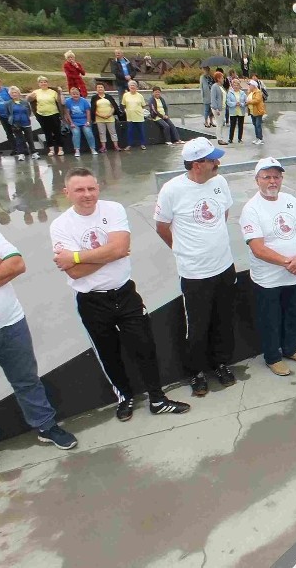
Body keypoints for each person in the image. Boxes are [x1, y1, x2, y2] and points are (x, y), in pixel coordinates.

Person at [50, 168, 190, 420]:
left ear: (98, 188)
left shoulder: (113, 209)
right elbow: (75, 273)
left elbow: (119, 249)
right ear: (66, 192)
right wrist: (110, 253)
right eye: (79, 190)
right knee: (108, 353)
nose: (87, 194)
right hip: (92, 301)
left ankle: (157, 399)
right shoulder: (60, 225)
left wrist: (78, 256)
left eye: (91, 188)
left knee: (145, 346)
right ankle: (124, 397)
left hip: (125, 294)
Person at [0, 220, 78, 482]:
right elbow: (4, 266)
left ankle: (46, 426)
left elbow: (17, 264)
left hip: (12, 323)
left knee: (27, 380)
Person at [155, 138, 237, 396]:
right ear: (197, 164)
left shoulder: (220, 182)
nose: (217, 163)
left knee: (223, 320)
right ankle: (197, 372)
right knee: (198, 326)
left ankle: (220, 363)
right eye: (212, 159)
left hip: (224, 267)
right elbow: (162, 227)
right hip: (195, 274)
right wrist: (183, 250)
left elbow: (223, 215)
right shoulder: (171, 190)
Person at [240, 157, 296, 376]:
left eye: (276, 176)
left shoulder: (290, 200)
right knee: (270, 319)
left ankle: (291, 348)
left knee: (293, 314)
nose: (273, 181)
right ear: (257, 180)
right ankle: (272, 357)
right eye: (267, 177)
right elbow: (258, 248)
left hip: (294, 273)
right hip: (268, 279)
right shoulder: (251, 209)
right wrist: (288, 263)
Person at [28, 77, 64, 157]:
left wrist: (60, 93)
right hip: (41, 115)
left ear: (47, 83)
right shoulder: (36, 92)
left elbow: (60, 101)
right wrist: (30, 96)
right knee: (47, 132)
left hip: (54, 113)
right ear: (39, 84)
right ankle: (51, 150)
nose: (43, 83)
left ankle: (60, 149)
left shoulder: (52, 92)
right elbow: (28, 100)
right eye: (41, 82)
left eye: (45, 82)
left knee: (57, 132)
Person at [5, 87, 38, 161]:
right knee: (19, 139)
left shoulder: (25, 102)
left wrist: (25, 117)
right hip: (15, 124)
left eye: (15, 92)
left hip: (26, 122)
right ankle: (21, 153)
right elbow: (8, 113)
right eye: (12, 93)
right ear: (10, 94)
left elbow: (29, 111)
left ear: (18, 93)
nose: (14, 94)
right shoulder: (8, 103)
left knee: (30, 138)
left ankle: (33, 153)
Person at [64, 86, 97, 157]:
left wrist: (88, 122)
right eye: (73, 94)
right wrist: (71, 123)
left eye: (77, 94)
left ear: (79, 94)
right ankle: (77, 150)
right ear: (71, 94)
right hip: (74, 121)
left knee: (88, 132)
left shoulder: (84, 101)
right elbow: (67, 113)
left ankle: (92, 148)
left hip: (84, 120)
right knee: (76, 133)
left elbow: (88, 112)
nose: (75, 95)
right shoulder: (68, 101)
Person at [90, 83, 122, 152]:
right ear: (96, 89)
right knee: (102, 133)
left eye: (101, 87)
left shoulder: (109, 97)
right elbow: (93, 109)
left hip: (110, 118)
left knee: (113, 132)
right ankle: (103, 147)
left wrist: (109, 114)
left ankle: (116, 146)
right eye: (98, 87)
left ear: (104, 88)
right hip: (99, 119)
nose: (100, 89)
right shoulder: (94, 98)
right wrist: (100, 115)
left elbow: (113, 106)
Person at [121, 81, 147, 151]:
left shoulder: (140, 96)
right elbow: (123, 104)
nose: (132, 87)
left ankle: (142, 144)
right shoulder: (125, 95)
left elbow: (143, 105)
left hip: (139, 116)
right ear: (129, 87)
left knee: (141, 131)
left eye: (133, 85)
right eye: (131, 86)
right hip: (130, 117)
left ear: (136, 87)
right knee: (130, 132)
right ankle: (129, 145)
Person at [226, 78, 247, 144]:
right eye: (234, 85)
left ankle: (239, 138)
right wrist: (235, 103)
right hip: (233, 112)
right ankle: (230, 138)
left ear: (239, 85)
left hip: (241, 111)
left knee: (241, 126)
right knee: (232, 125)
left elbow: (246, 102)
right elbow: (228, 102)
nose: (236, 86)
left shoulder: (243, 93)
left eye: (237, 85)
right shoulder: (230, 93)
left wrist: (241, 104)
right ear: (232, 85)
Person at [246, 80, 266, 145]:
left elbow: (257, 100)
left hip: (258, 111)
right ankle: (257, 138)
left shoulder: (258, 92)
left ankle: (260, 139)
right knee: (255, 125)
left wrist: (249, 102)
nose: (249, 86)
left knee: (258, 125)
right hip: (252, 111)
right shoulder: (251, 92)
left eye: (250, 85)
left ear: (253, 86)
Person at [210, 71, 228, 145]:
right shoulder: (215, 86)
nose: (223, 79)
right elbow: (213, 98)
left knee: (221, 123)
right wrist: (216, 108)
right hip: (217, 108)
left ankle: (220, 137)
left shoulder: (221, 86)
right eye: (222, 78)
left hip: (222, 107)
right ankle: (219, 139)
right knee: (219, 123)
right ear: (218, 79)